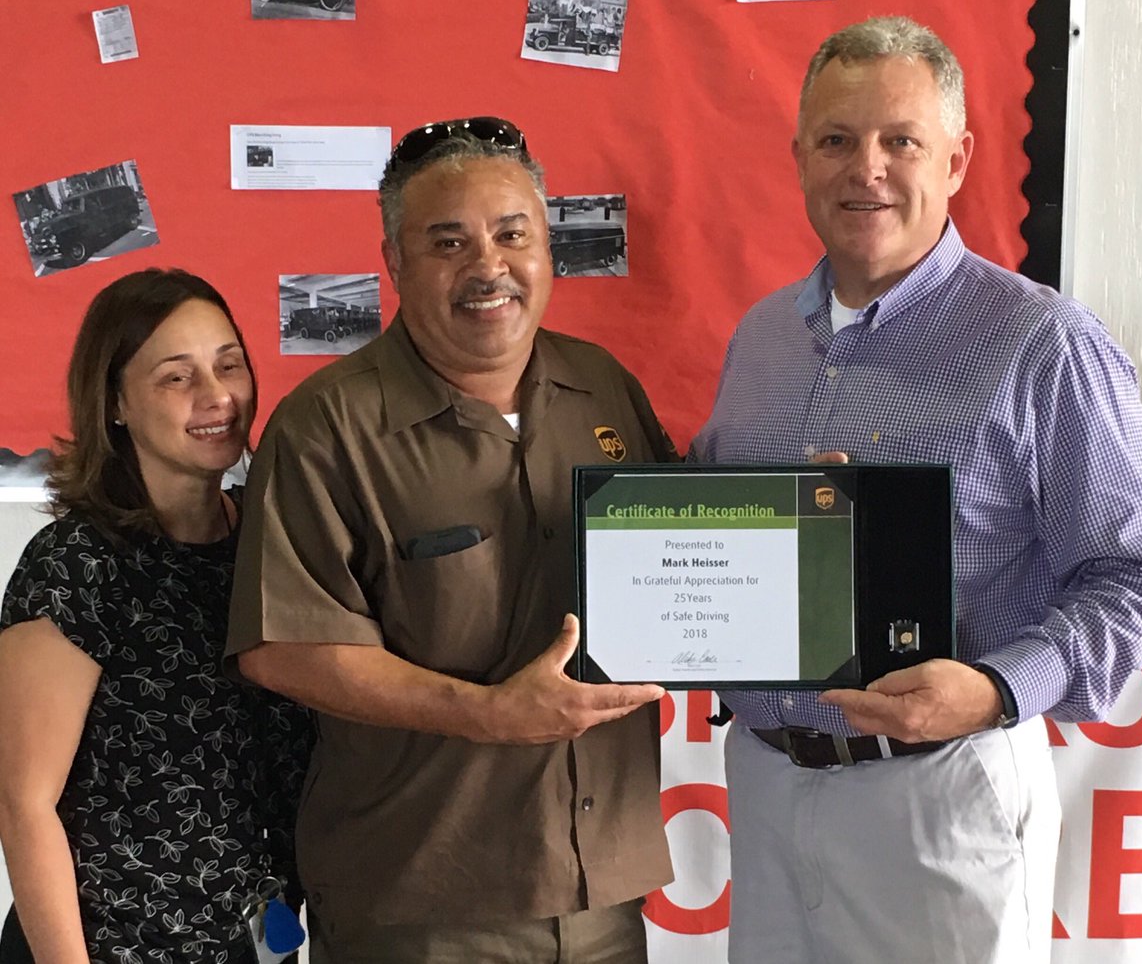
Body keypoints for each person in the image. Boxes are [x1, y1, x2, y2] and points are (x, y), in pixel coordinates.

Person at [688, 16, 1142, 964]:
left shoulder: (1044, 344)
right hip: (762, 788)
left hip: (938, 794)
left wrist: (998, 688)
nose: (865, 168)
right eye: (837, 140)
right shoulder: (759, 340)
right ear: (799, 157)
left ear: (957, 160)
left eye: (900, 141)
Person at [226, 117, 675, 963]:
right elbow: (282, 647)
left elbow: (682, 565)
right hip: (422, 906)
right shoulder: (327, 427)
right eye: (448, 242)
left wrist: (803, 521)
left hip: (603, 898)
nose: (488, 267)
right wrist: (490, 715)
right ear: (395, 262)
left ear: (548, 248)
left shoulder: (605, 389)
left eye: (513, 235)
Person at [0, 269, 312, 963]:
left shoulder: (267, 544)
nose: (217, 397)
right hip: (108, 948)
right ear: (116, 402)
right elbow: (24, 807)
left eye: (229, 364)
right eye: (176, 377)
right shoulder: (77, 563)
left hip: (254, 941)